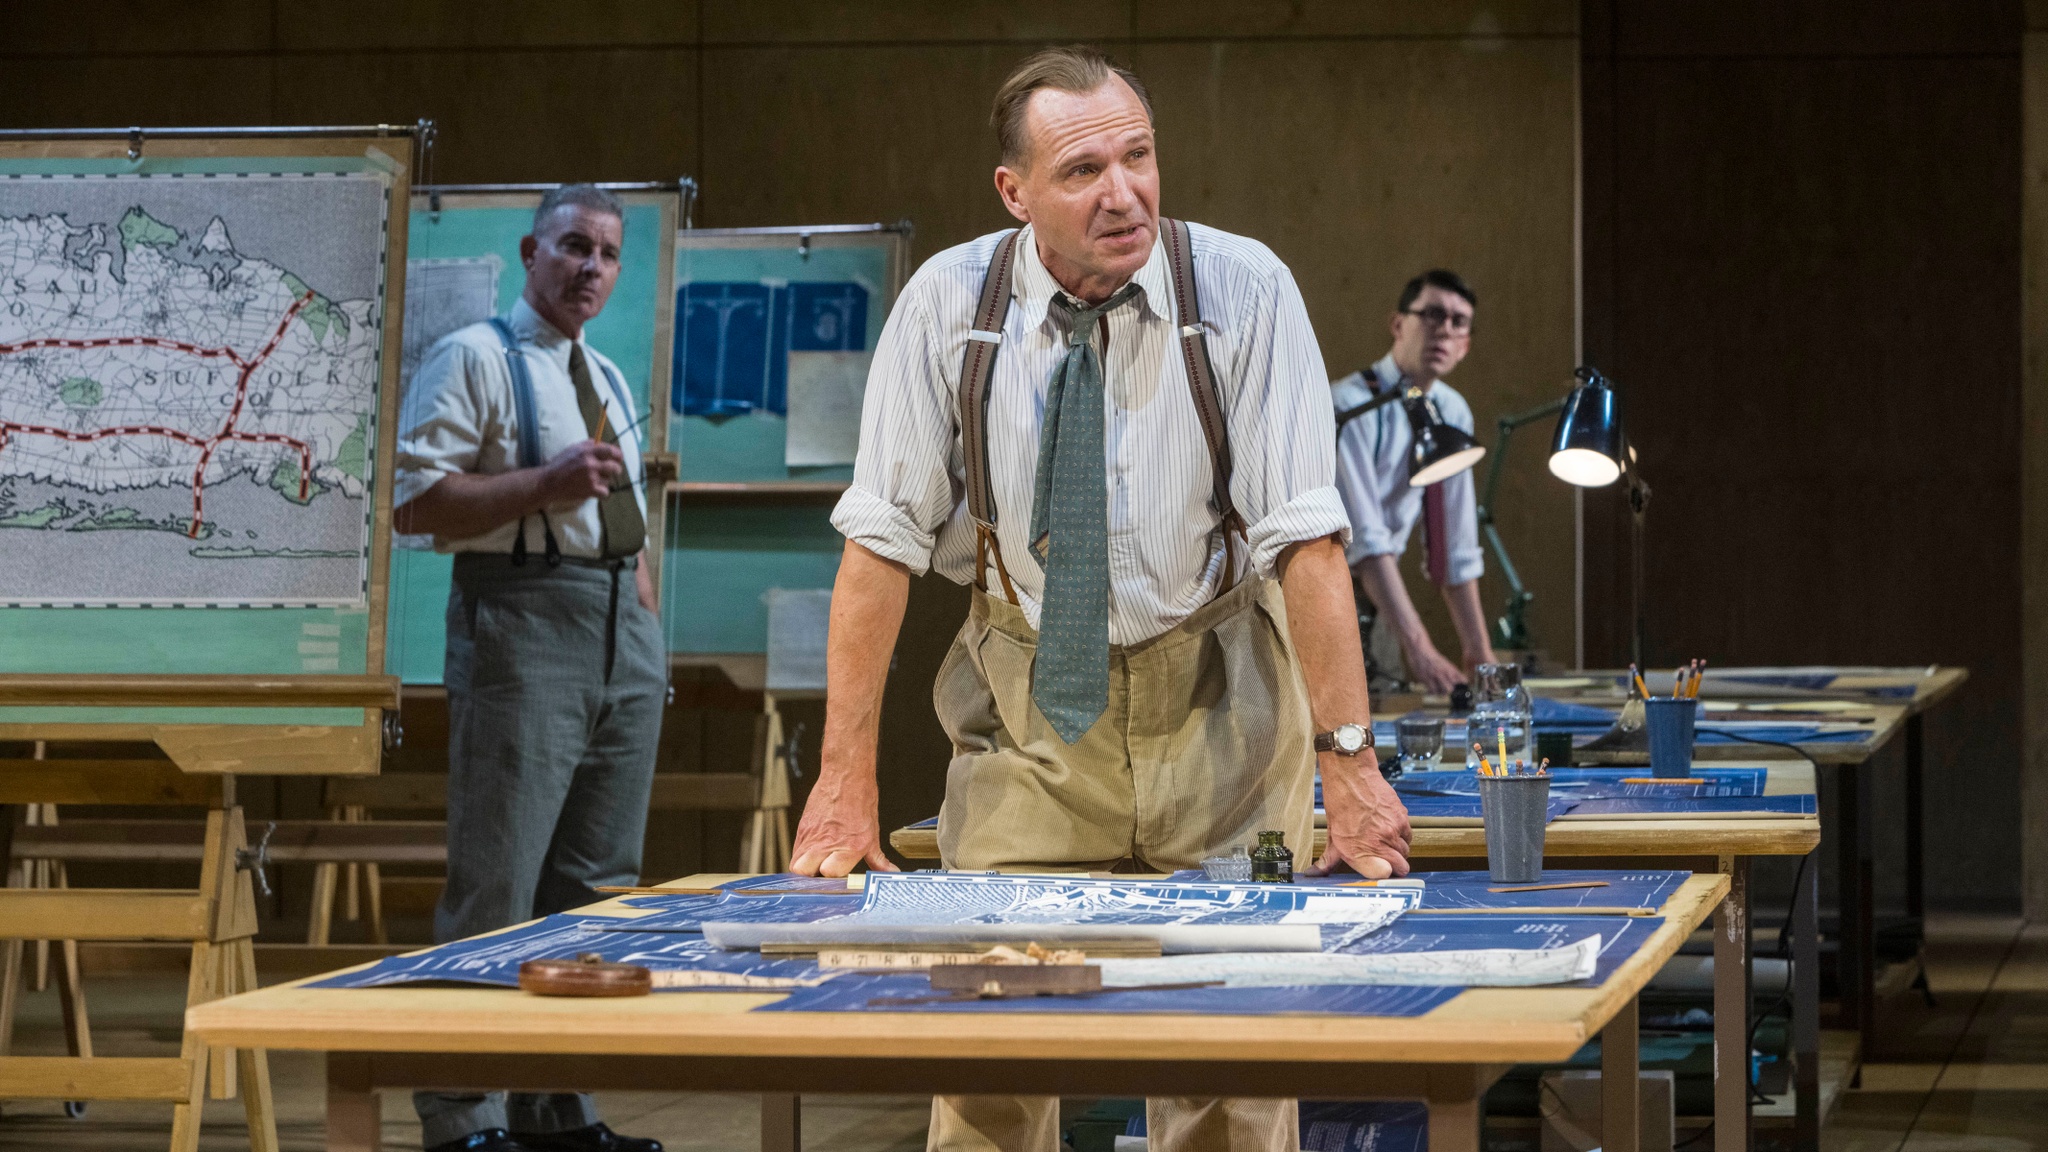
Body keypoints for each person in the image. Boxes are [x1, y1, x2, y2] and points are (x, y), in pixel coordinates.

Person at [788, 45, 1411, 1152]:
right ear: (1014, 191)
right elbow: (877, 549)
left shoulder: (1243, 289)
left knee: (1226, 1057)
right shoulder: (948, 306)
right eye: (1082, 170)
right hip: (1029, 709)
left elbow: (1307, 545)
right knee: (988, 1051)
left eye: (1138, 156)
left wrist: (1348, 766)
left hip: (1222, 701)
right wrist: (843, 778)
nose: (1121, 192)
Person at [393, 184, 665, 1152]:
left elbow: (625, 521)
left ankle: (559, 1105)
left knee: (598, 886)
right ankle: (465, 1115)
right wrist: (541, 486)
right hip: (521, 613)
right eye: (572, 248)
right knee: (497, 885)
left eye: (606, 255)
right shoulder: (473, 356)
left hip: (614, 629)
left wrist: (641, 618)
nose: (589, 268)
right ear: (529, 251)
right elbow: (415, 503)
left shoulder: (606, 372)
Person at [1332, 270, 1498, 696]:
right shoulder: (1350, 406)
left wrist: (1479, 652)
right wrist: (1420, 647)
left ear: (1466, 344)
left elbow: (1454, 547)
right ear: (1397, 324)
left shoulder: (1451, 412)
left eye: (1458, 322)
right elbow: (1365, 540)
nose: (1445, 329)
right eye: (1432, 315)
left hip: (1382, 607)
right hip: (1327, 596)